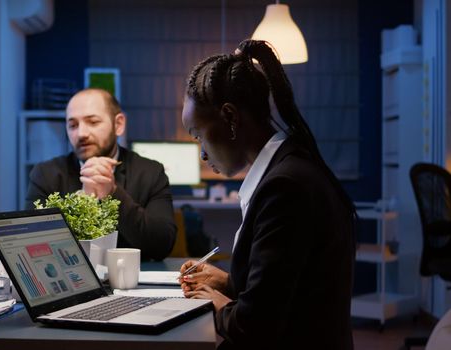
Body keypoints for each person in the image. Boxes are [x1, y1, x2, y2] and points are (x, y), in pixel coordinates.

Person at [178, 40, 356, 349]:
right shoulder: (291, 168)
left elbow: (254, 327)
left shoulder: (285, 187)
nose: (203, 155)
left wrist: (214, 302)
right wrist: (227, 283)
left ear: (230, 118)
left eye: (199, 136)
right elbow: (287, 289)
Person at [25, 88, 176, 261]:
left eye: (93, 122)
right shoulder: (46, 174)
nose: (81, 134)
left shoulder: (150, 172)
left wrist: (113, 193)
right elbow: (34, 246)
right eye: (73, 125)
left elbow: (162, 246)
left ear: (118, 124)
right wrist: (82, 201)